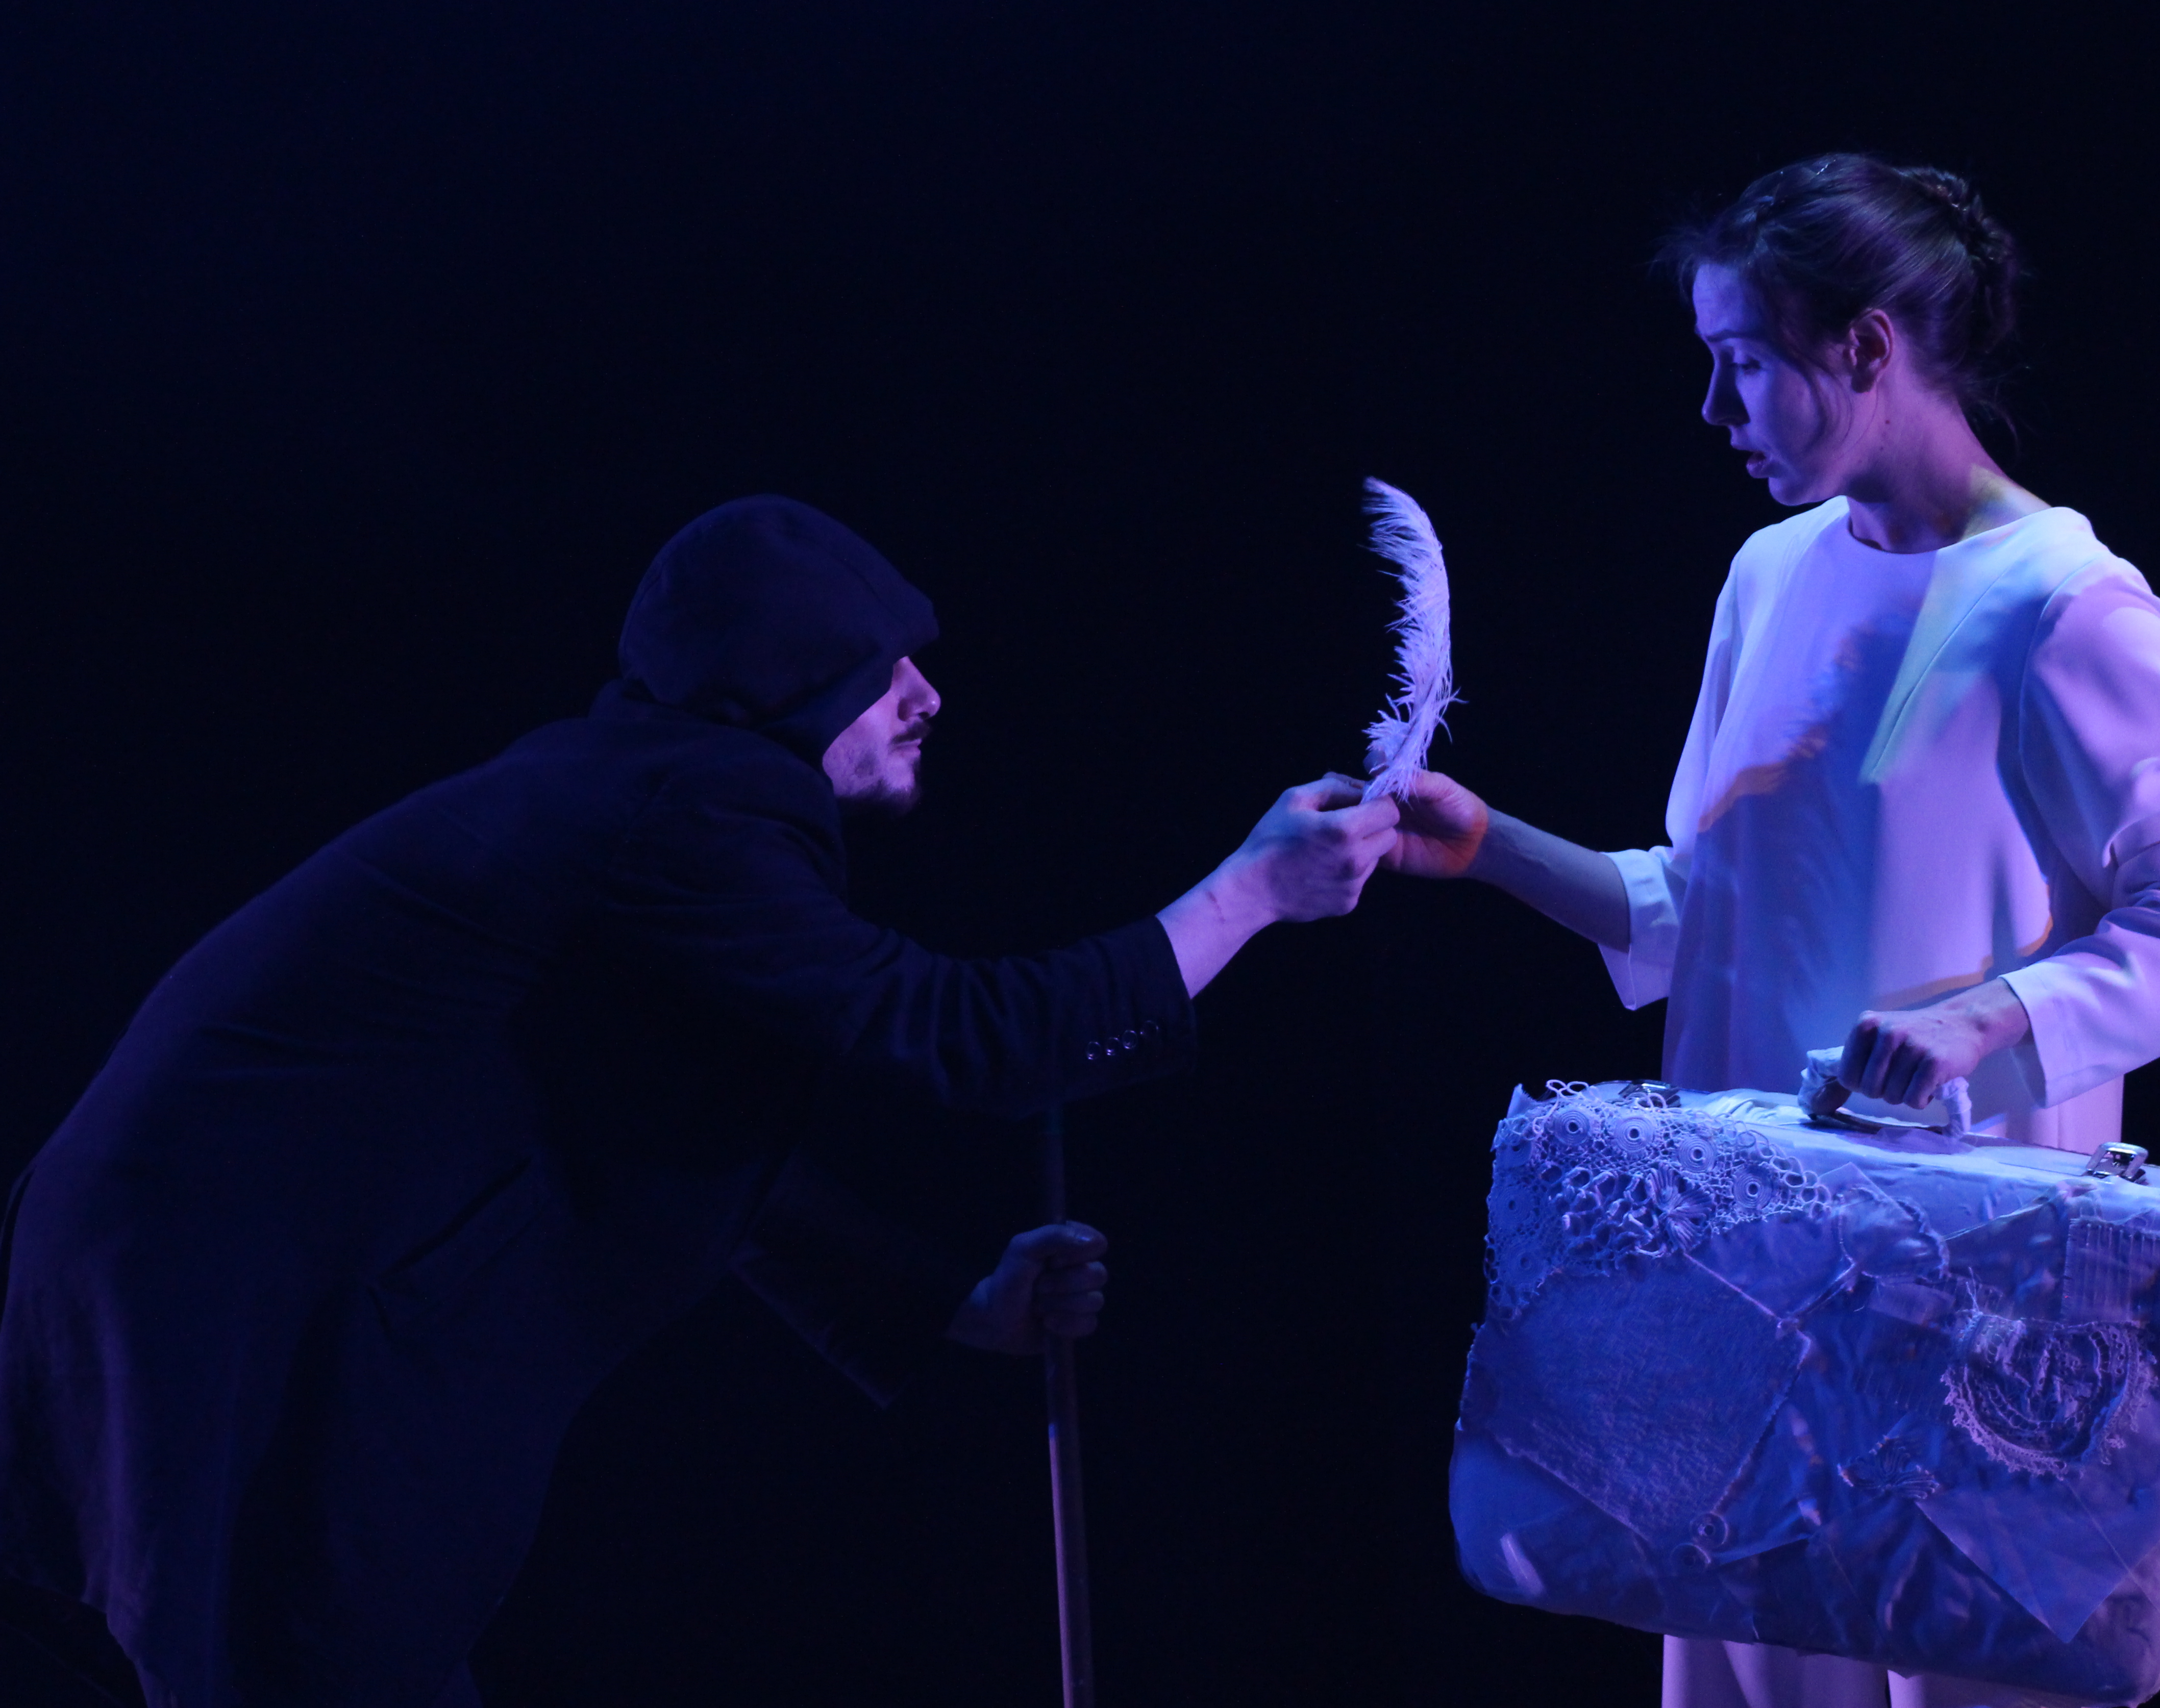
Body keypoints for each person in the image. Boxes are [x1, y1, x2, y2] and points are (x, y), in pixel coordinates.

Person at [0, 495, 1396, 1708]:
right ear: (780, 683)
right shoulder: (682, 810)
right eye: (878, 668)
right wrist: (1251, 896)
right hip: (231, 1305)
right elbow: (965, 1038)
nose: (924, 695)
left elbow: (678, 1133)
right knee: (305, 1651)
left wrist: (949, 1306)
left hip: (197, 1282)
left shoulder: (639, 792)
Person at [1384, 156, 2160, 1708]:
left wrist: (1989, 1018)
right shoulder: (1769, 573)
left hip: (1955, 1316)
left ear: (1865, 348)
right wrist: (1490, 849)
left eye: (1742, 363)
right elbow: (1709, 906)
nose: (1713, 410)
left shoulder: (2064, 602)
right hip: (1740, 1299)